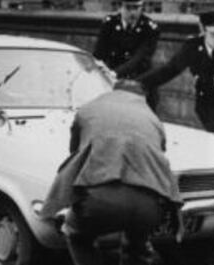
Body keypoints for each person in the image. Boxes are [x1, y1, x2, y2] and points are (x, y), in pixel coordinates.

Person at [133, 6, 214, 246]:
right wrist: (132, 85)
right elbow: (168, 70)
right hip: (210, 111)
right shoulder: (193, 47)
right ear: (203, 30)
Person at [40, 84, 180, 265]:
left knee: (76, 235)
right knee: (137, 243)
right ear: (141, 96)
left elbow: (75, 151)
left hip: (100, 202)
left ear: (114, 90)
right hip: (150, 205)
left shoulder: (88, 109)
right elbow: (158, 153)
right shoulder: (153, 119)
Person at [93, 0, 160, 110]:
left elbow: (140, 58)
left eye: (136, 8)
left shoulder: (150, 28)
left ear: (142, 7)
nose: (132, 12)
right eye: (128, 8)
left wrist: (115, 73)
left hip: (140, 81)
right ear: (120, 7)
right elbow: (99, 54)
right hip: (113, 82)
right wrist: (101, 70)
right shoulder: (109, 24)